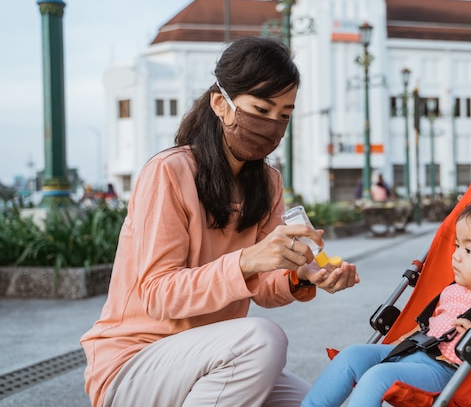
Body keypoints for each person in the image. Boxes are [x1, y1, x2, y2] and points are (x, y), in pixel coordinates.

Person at [80, 36, 359, 407]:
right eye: (261, 109)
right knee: (263, 339)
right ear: (220, 104)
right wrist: (247, 259)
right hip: (135, 363)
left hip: (214, 358)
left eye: (285, 115)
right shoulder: (169, 173)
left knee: (319, 401)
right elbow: (158, 295)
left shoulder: (267, 183)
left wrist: (301, 275)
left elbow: (261, 286)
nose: (273, 125)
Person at [301, 190, 471, 407]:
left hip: (444, 369)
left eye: (468, 249)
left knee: (378, 376)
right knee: (352, 355)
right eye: (456, 246)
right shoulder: (453, 288)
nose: (456, 256)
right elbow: (430, 325)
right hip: (413, 351)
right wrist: (404, 339)